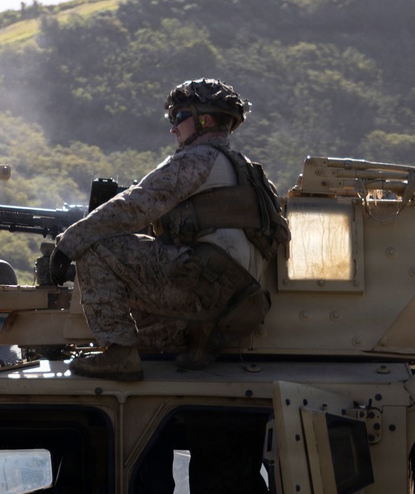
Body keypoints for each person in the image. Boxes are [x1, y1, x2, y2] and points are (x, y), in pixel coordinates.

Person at [50, 78, 275, 381]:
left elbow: (135, 205)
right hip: (235, 300)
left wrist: (70, 242)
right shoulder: (248, 170)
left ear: (205, 119)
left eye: (179, 117)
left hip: (204, 287)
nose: (173, 128)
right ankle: (194, 338)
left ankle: (119, 353)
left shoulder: (198, 159)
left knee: (98, 249)